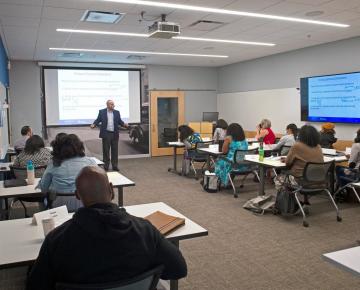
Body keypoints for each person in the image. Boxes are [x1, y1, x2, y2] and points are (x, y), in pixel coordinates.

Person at [27, 166, 187, 290]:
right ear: (111, 190)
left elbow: (36, 286)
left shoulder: (56, 240)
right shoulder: (144, 230)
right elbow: (178, 269)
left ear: (77, 195)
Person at [37, 134, 97, 211]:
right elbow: (98, 185)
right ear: (80, 146)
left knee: (43, 198)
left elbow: (43, 188)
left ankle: (44, 221)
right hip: (85, 204)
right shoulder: (90, 162)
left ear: (57, 149)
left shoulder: (53, 164)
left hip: (59, 207)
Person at [275, 125, 324, 204]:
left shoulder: (297, 146)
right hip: (319, 181)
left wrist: (287, 160)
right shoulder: (318, 147)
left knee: (278, 179)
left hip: (301, 181)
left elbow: (288, 163)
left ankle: (288, 204)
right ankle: (302, 201)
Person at [91, 100, 129, 171]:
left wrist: (124, 124)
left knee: (115, 150)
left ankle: (115, 165)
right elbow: (98, 120)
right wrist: (94, 124)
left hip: (114, 133)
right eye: (111, 104)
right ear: (107, 105)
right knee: (106, 150)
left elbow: (119, 121)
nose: (113, 105)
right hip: (106, 133)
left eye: (113, 104)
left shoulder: (117, 112)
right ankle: (106, 166)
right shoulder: (102, 112)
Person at [215, 123, 248, 187]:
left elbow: (224, 151)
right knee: (228, 161)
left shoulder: (229, 138)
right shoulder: (244, 140)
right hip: (243, 164)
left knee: (219, 161)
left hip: (232, 164)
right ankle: (228, 180)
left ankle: (221, 182)